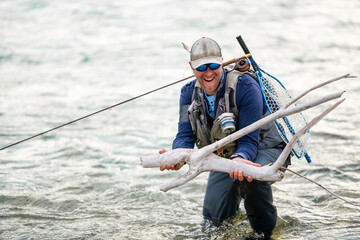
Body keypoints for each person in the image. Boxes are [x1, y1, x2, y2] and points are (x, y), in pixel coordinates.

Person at [159, 37, 290, 239]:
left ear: (222, 61)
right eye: (202, 67)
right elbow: (184, 135)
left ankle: (265, 232)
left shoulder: (246, 87)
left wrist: (238, 161)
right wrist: (176, 157)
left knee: (251, 178)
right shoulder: (187, 93)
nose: (208, 72)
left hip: (266, 146)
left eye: (213, 65)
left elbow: (249, 141)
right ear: (192, 68)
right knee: (212, 222)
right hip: (227, 153)